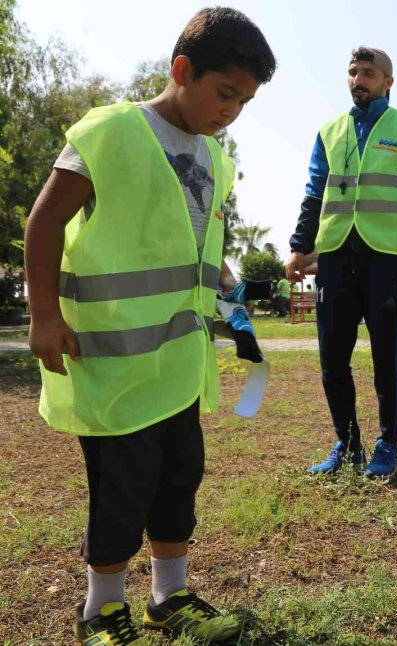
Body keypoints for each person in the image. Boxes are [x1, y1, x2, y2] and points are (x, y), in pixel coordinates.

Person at [24, 9, 276, 644]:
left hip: (177, 366)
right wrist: (44, 315)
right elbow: (44, 222)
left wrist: (229, 297)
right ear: (182, 69)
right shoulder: (111, 131)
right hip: (114, 364)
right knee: (121, 487)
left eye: (244, 102)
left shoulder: (214, 156)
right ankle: (101, 609)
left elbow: (191, 246)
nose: (231, 112)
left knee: (178, 478)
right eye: (225, 93)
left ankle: (169, 597)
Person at [285, 46, 397, 477]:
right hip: (334, 256)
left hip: (386, 259)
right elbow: (314, 192)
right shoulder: (329, 131)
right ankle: (347, 444)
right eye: (353, 72)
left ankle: (388, 445)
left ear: (388, 82)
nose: (358, 80)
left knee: (386, 358)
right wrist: (299, 245)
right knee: (332, 358)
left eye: (368, 73)